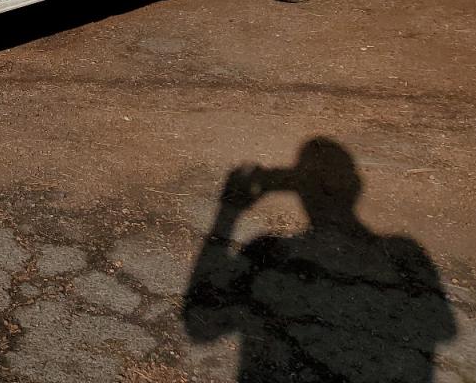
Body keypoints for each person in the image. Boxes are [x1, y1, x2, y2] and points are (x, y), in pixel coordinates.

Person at [183, 138, 455, 382]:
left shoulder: (268, 253)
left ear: (297, 189)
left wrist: (228, 212)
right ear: (356, 186)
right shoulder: (403, 254)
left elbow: (200, 325)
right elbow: (444, 328)